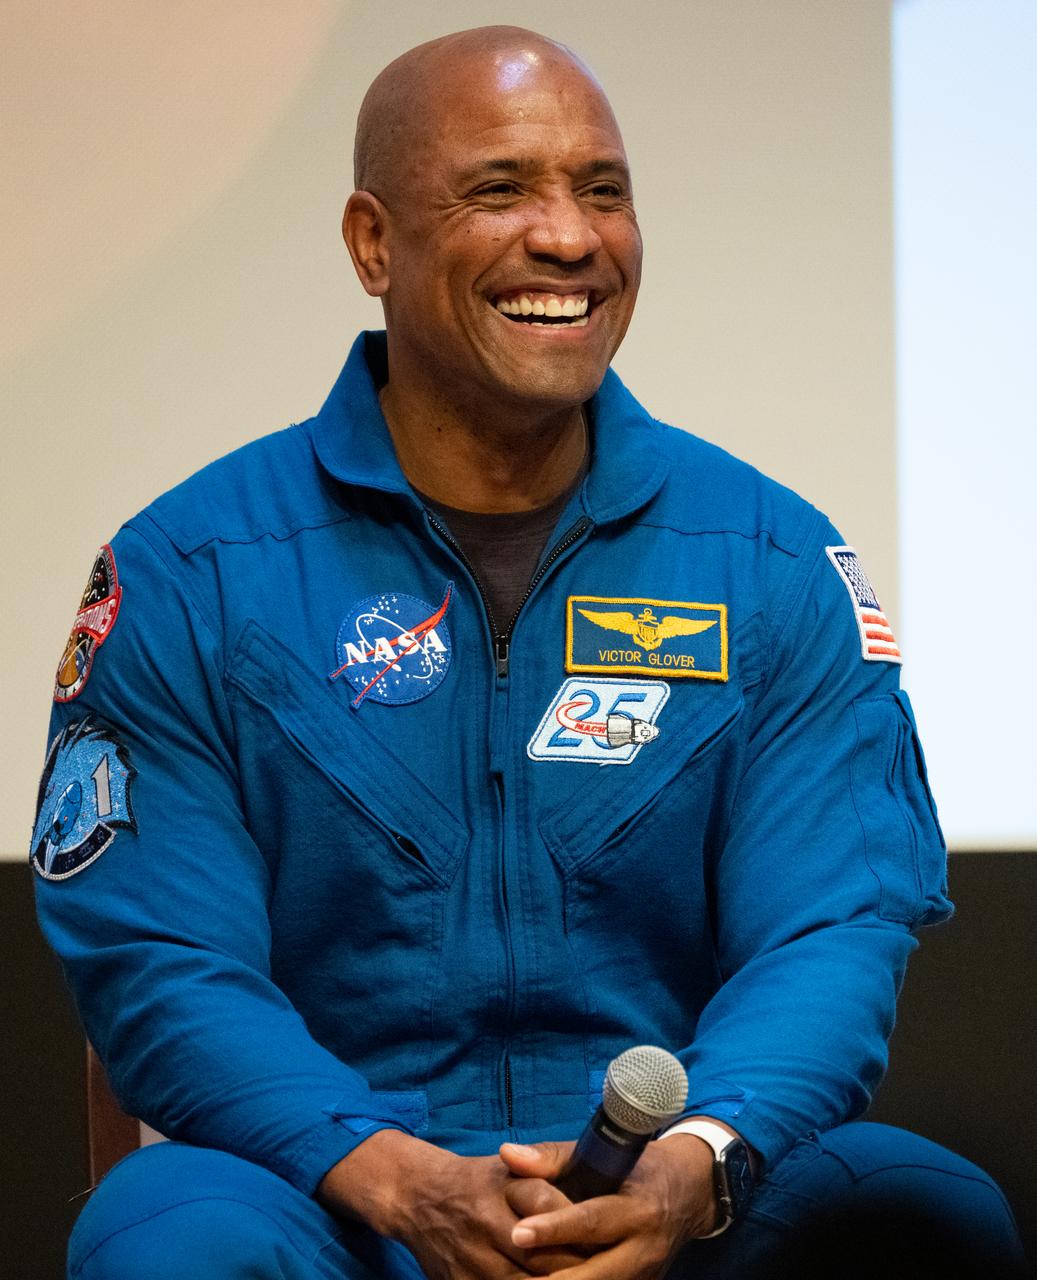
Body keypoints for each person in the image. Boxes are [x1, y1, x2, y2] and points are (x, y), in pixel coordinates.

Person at [33, 25, 1026, 1280]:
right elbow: (162, 957)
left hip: (668, 1193)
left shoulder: (768, 560)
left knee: (926, 1205)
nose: (568, 238)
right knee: (167, 1241)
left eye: (601, 191)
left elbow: (830, 926)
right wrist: (390, 1174)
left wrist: (700, 1157)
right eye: (499, 189)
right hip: (329, 1194)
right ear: (371, 242)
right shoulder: (193, 570)